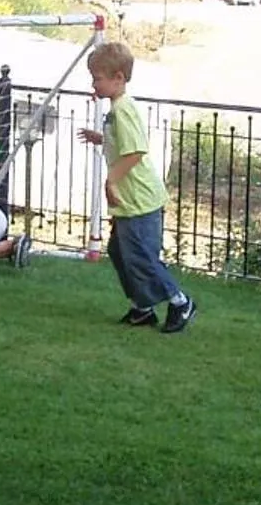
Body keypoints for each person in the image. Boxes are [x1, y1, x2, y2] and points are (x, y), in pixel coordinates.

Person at [78, 41, 194, 333]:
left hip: (140, 199)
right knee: (119, 251)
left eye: (98, 78)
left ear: (118, 77)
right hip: (130, 201)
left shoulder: (122, 110)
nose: (94, 84)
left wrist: (111, 180)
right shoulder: (118, 110)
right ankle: (142, 307)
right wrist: (100, 138)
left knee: (141, 256)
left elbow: (135, 152)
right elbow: (122, 144)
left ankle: (180, 301)